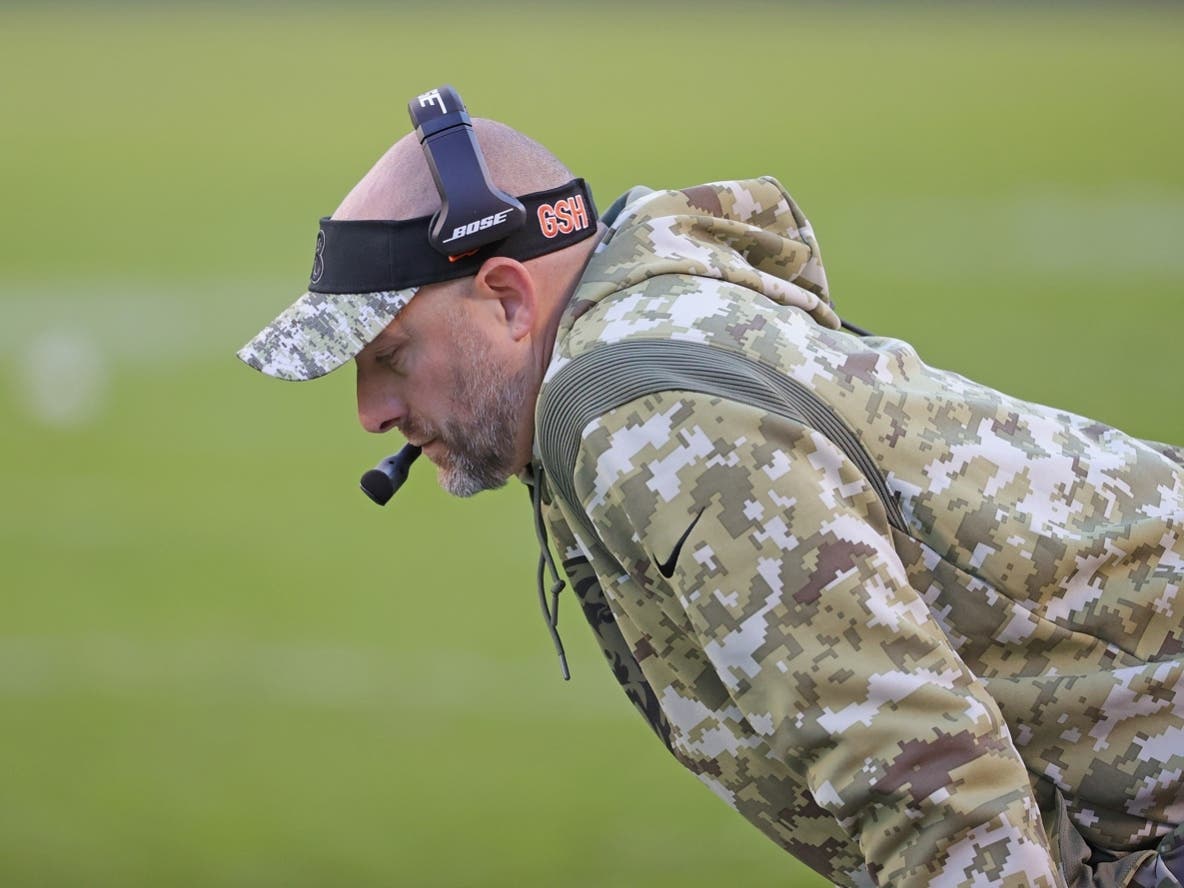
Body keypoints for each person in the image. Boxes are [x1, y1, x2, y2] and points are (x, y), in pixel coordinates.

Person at [237, 104, 1184, 887]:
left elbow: (925, 779)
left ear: (510, 298)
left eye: (391, 356)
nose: (370, 413)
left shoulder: (648, 421)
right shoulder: (633, 337)